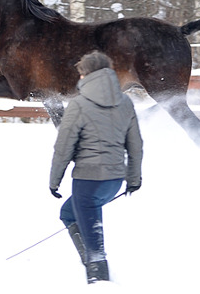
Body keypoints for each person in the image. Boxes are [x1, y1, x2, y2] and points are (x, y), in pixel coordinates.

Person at [49, 51, 143, 284]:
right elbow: (135, 145)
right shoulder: (125, 102)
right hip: (113, 181)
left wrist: (54, 180)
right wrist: (133, 179)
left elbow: (63, 147)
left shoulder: (79, 104)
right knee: (69, 213)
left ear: (86, 74)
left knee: (95, 248)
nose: (79, 78)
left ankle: (99, 282)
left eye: (81, 73)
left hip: (88, 182)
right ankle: (92, 268)